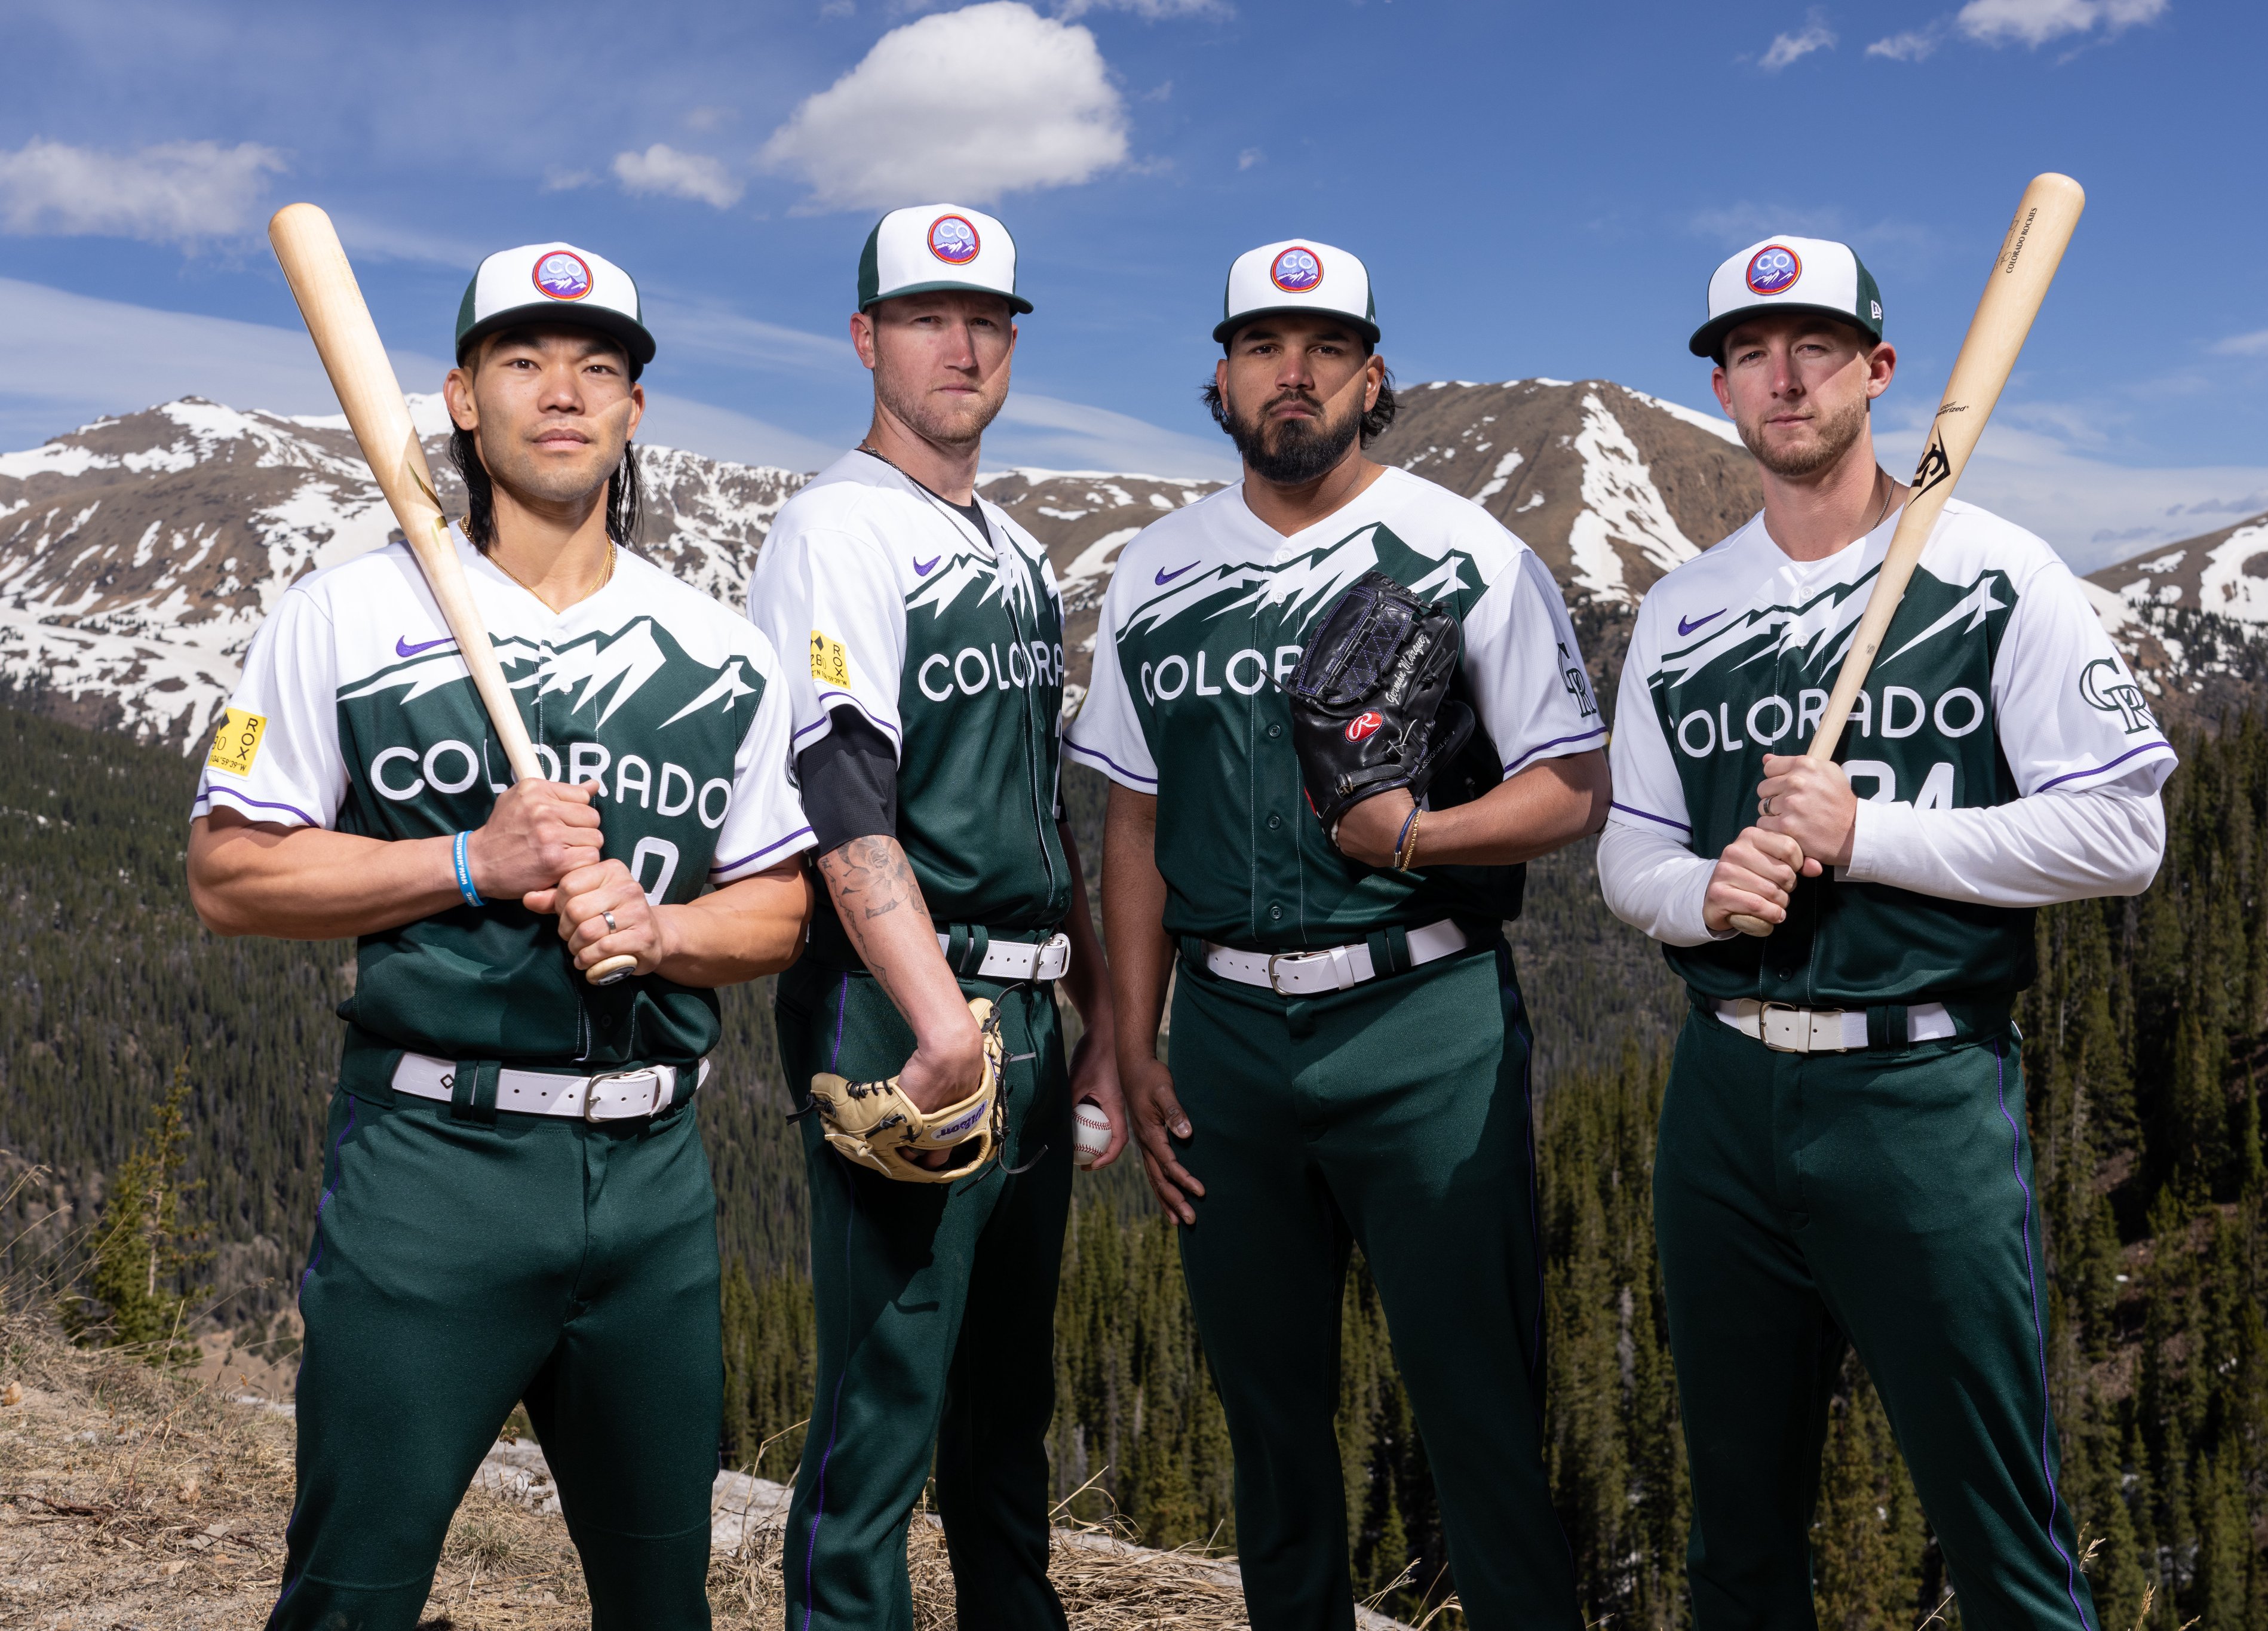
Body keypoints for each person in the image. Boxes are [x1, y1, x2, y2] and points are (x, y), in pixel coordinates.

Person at [186, 241, 816, 1630]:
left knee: (664, 1600)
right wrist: (472, 859)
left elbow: (781, 903)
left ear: (634, 413)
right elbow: (230, 874)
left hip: (653, 1180)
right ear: (464, 400)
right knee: (353, 1593)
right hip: (432, 1170)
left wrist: (659, 928)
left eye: (599, 368)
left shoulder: (723, 652)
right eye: (523, 362)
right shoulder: (343, 614)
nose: (563, 393)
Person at [1598, 234, 2174, 1629]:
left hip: (1918, 1090)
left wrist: (1870, 837)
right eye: (1747, 354)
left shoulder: (1991, 572)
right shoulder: (1680, 610)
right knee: (1734, 1537)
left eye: (1812, 348)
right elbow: (1628, 847)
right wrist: (1700, 893)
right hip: (1724, 1093)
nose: (1780, 378)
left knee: (2000, 1536)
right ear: (1722, 389)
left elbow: (2121, 833)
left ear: (1878, 369)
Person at [1067, 236, 1606, 1629]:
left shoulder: (1466, 550)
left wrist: (1417, 837)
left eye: (1321, 350)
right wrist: (1130, 1039)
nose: (1287, 375)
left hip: (1423, 1025)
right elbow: (1133, 817)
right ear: (1223, 376)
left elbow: (1570, 788)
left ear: (1372, 379)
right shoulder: (1158, 567)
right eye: (1258, 347)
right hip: (1230, 1047)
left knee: (1481, 1416)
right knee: (1271, 1435)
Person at [744, 201, 1120, 1631]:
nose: (959, 343)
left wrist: (1089, 1020)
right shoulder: (836, 527)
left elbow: (1042, 803)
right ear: (865, 339)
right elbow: (842, 791)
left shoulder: (1017, 549)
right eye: (923, 317)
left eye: (985, 319)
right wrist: (935, 1024)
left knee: (1002, 1404)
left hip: (1025, 999)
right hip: (908, 998)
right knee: (886, 1392)